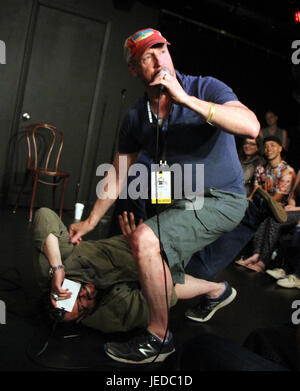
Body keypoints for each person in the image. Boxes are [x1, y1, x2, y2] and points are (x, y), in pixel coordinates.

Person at [68, 28, 260, 364]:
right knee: (157, 277)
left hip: (220, 198)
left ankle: (159, 339)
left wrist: (186, 99)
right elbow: (117, 173)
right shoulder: (134, 118)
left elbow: (250, 126)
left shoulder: (205, 87)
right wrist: (90, 221)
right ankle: (217, 290)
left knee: (144, 241)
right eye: (147, 56)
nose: (159, 61)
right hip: (179, 202)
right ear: (133, 67)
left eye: (162, 51)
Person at [33, 207, 232, 333]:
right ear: (82, 319)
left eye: (76, 293)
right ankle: (215, 289)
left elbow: (44, 215)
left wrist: (56, 266)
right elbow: (166, 294)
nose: (87, 293)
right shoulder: (114, 316)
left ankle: (217, 291)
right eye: (84, 305)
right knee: (200, 205)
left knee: (160, 177)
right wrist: (142, 255)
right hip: (160, 254)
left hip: (132, 229)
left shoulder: (57, 272)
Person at [236, 137, 296, 272]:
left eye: (273, 145)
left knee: (272, 218)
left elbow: (276, 199)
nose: (269, 149)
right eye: (267, 146)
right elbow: (258, 190)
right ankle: (255, 254)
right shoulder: (264, 169)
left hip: (280, 209)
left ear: (280, 148)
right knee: (254, 212)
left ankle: (263, 260)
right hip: (269, 206)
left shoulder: (287, 170)